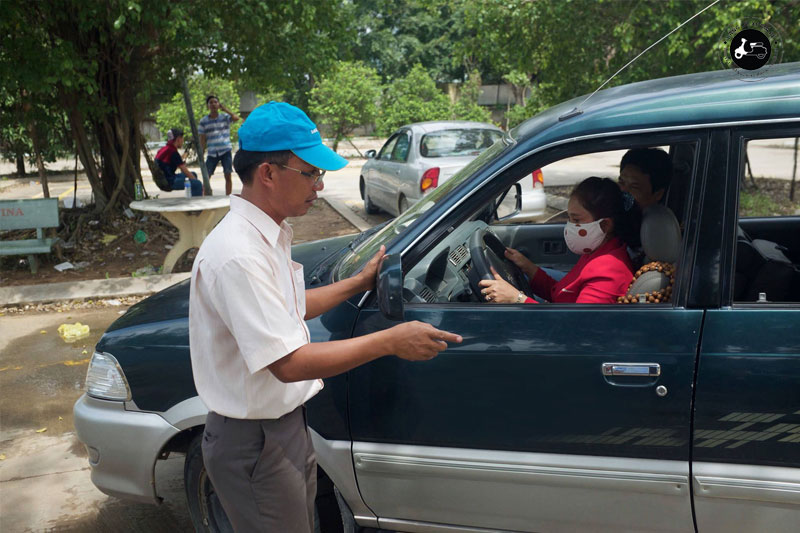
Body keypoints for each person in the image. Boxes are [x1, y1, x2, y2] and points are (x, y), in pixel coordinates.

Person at [189, 101, 462, 533]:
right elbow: (288, 363)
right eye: (311, 173)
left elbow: (292, 306)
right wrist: (390, 341)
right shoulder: (239, 254)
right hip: (255, 439)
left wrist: (358, 283)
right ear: (268, 173)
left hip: (280, 427)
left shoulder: (266, 235)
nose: (319, 185)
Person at [480, 177, 635, 304]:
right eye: (569, 218)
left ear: (605, 225)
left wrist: (517, 299)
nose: (570, 225)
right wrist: (528, 267)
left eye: (576, 220)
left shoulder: (608, 272)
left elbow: (577, 325)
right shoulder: (596, 253)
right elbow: (561, 294)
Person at [199, 95, 239, 195]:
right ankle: (205, 196)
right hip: (212, 152)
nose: (213, 104)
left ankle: (228, 197)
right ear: (207, 106)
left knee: (228, 174)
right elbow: (202, 138)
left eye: (215, 102)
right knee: (207, 176)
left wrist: (225, 109)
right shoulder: (204, 121)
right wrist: (201, 152)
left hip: (225, 150)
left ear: (219, 104)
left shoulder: (225, 117)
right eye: (211, 102)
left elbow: (236, 118)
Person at [154, 128, 203, 196]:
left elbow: (167, 164)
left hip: (163, 179)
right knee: (197, 184)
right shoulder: (173, 152)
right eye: (182, 138)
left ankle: (191, 196)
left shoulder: (164, 149)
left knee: (193, 174)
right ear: (178, 139)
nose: (183, 141)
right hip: (169, 182)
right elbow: (185, 170)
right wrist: (197, 183)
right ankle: (195, 202)